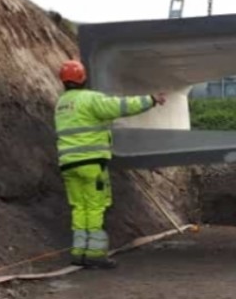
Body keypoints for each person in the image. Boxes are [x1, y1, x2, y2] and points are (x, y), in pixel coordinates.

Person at [55, 60, 167, 268]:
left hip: (68, 164)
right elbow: (120, 107)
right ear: (83, 79)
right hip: (91, 163)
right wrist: (151, 100)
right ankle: (95, 254)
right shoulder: (90, 99)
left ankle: (79, 252)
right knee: (95, 206)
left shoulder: (61, 104)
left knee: (79, 207)